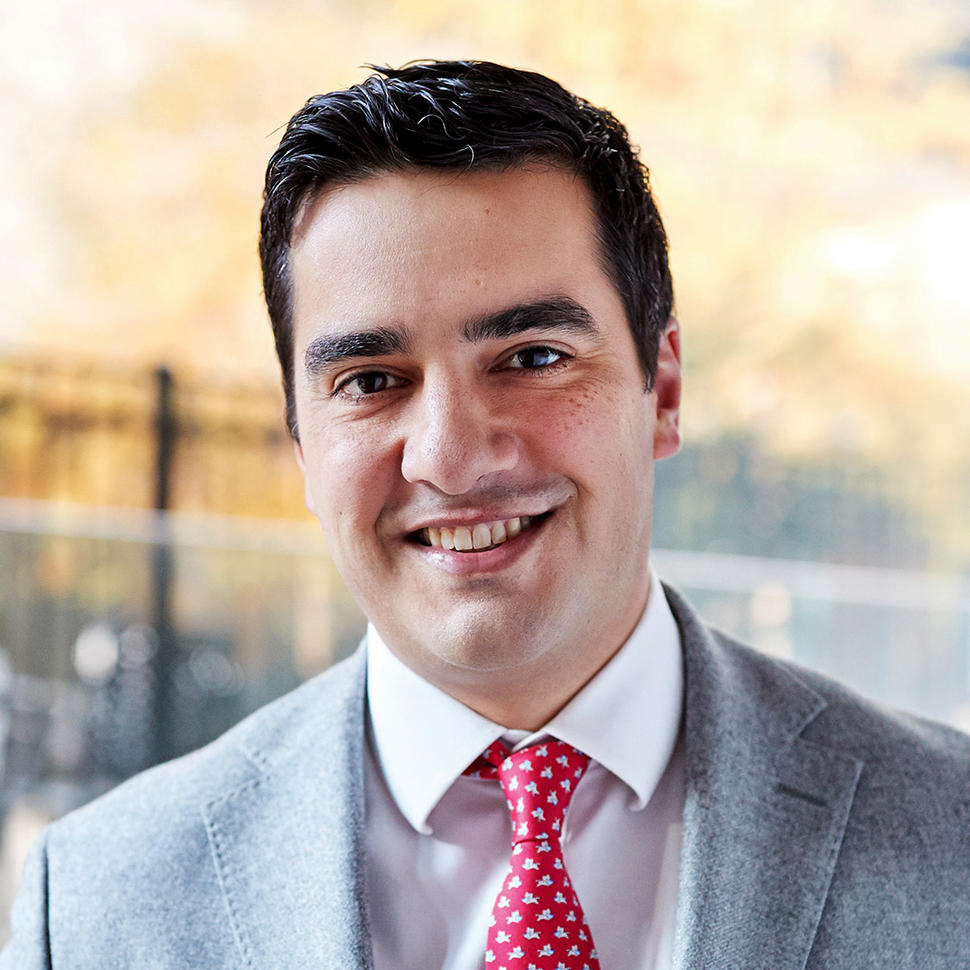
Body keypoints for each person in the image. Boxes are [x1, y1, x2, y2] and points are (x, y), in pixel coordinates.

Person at [2, 60, 968, 970]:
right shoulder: (94, 906)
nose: (453, 457)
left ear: (662, 388)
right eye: (372, 380)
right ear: (300, 442)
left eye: (533, 357)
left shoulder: (948, 830)